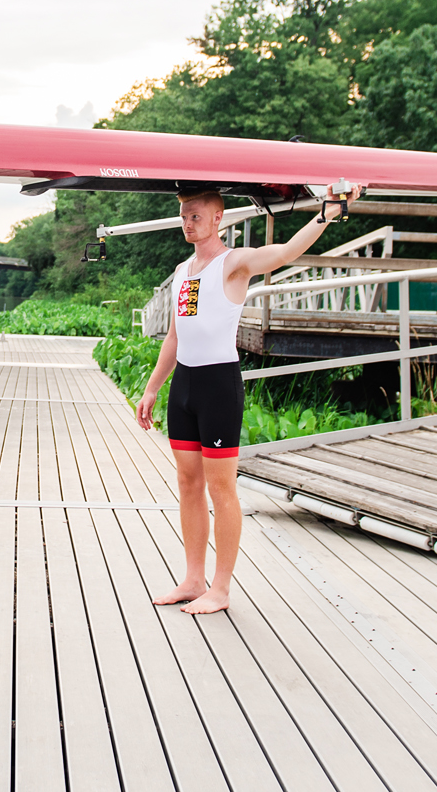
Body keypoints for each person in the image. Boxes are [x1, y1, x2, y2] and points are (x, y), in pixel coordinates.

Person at [137, 182, 362, 614]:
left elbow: (285, 253)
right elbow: (175, 334)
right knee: (188, 484)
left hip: (219, 386)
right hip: (184, 385)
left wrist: (327, 213)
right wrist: (152, 387)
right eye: (184, 216)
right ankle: (192, 578)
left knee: (222, 490)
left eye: (196, 216)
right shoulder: (185, 271)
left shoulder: (233, 264)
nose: (188, 223)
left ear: (218, 217)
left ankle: (220, 589)